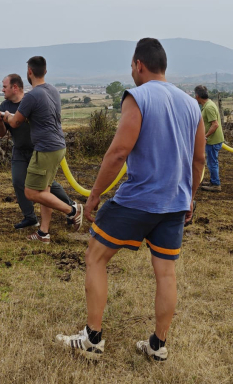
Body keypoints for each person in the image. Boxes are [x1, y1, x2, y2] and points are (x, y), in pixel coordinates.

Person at [54, 38, 206, 362]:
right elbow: (199, 161)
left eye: (131, 67)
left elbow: (119, 152)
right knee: (165, 274)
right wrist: (189, 198)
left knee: (95, 257)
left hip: (137, 200)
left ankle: (93, 339)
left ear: (139, 65)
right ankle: (158, 345)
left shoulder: (137, 97)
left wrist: (94, 196)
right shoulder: (192, 105)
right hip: (175, 203)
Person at [2, 56, 84, 242]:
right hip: (58, 146)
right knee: (44, 191)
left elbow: (15, 122)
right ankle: (43, 233)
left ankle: (72, 210)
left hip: (45, 148)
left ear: (29, 72)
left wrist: (6, 116)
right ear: (45, 71)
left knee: (31, 192)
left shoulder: (31, 95)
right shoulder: (53, 90)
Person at [0, 74, 76, 230]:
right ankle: (30, 217)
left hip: (38, 150)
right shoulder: (4, 106)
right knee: (18, 182)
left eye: (4, 87)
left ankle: (71, 206)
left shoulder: (31, 101)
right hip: (19, 150)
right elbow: (1, 133)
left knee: (47, 185)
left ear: (14, 87)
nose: (2, 90)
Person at [193, 85, 224, 192]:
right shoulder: (208, 105)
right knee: (211, 161)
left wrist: (204, 136)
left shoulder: (209, 107)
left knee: (212, 162)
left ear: (197, 96)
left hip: (213, 140)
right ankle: (213, 181)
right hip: (212, 139)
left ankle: (216, 184)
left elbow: (215, 125)